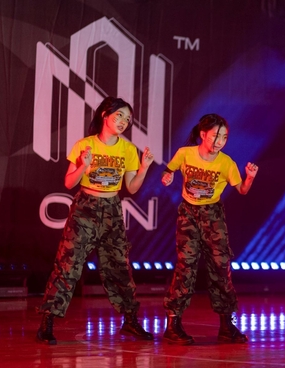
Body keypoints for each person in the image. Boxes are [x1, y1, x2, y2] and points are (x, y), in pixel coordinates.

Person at [37, 96, 155, 345]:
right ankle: (47, 321)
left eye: (128, 119)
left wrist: (143, 169)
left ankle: (130, 320)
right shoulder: (85, 144)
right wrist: (83, 166)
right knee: (68, 264)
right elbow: (69, 182)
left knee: (119, 266)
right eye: (119, 116)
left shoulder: (127, 149)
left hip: (112, 209)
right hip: (85, 208)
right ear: (105, 115)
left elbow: (132, 188)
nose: (123, 122)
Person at [161, 113, 256, 345]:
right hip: (189, 214)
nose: (219, 142)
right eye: (215, 136)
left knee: (221, 268)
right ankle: (173, 325)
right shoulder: (185, 153)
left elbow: (242, 190)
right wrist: (167, 176)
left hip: (213, 216)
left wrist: (250, 177)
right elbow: (169, 170)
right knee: (185, 267)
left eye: (224, 137)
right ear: (203, 134)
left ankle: (226, 326)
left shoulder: (226, 163)